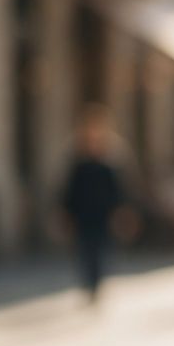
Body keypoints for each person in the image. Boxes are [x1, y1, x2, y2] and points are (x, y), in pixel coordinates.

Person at [59, 103, 127, 304]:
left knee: (99, 249)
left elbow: (117, 190)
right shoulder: (78, 162)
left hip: (102, 213)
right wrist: (65, 212)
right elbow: (69, 189)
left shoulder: (110, 162)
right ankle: (89, 282)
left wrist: (121, 212)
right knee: (84, 250)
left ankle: (96, 283)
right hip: (83, 213)